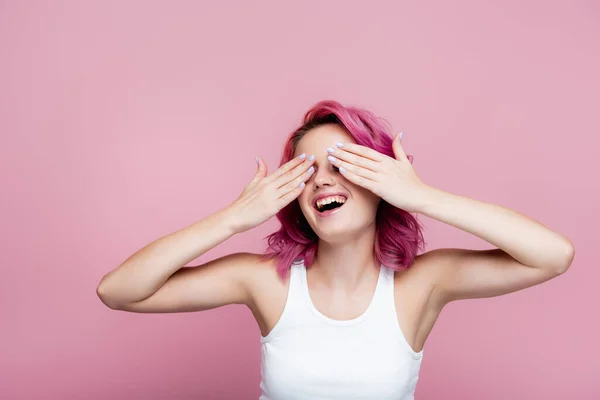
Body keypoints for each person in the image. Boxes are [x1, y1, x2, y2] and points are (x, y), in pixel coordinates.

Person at [96, 100, 575, 399]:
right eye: (307, 172)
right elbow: (119, 291)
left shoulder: (423, 284)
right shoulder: (264, 281)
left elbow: (552, 255)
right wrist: (235, 217)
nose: (323, 179)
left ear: (381, 182)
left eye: (343, 164)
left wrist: (421, 196)